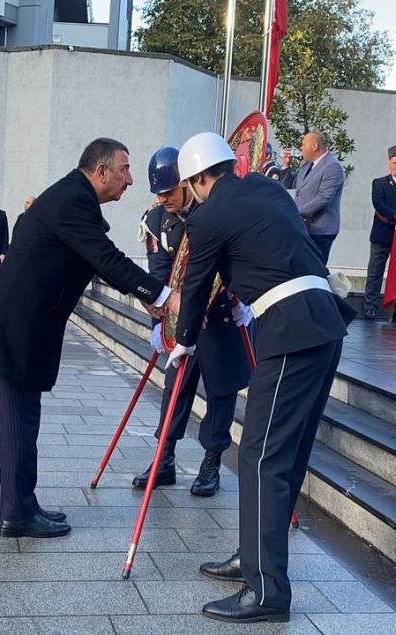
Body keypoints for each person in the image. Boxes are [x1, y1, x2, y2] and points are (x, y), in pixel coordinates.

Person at [165, 132, 351, 623]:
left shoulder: (207, 217)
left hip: (290, 329)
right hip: (324, 319)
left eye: (189, 184)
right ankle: (255, 557)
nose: (192, 192)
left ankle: (266, 590)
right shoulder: (268, 192)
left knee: (261, 455)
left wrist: (182, 340)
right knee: (283, 456)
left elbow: (197, 283)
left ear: (200, 179)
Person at [0, 138, 170, 539]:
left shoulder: (72, 196)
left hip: (24, 325)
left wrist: (144, 297)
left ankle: (24, 503)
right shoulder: (73, 200)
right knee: (15, 423)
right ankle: (16, 513)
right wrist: (162, 295)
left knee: (25, 420)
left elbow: (95, 260)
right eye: (124, 169)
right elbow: (107, 257)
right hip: (15, 326)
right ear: (100, 171)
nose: (130, 179)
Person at [133, 146, 251, 497]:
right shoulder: (156, 220)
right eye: (159, 192)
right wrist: (159, 321)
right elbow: (157, 276)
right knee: (175, 390)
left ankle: (211, 462)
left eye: (170, 190)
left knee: (221, 391)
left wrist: (240, 297)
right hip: (178, 317)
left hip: (220, 316)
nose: (164, 198)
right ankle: (164, 458)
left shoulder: (218, 209)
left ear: (187, 183)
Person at [363, 144, 396, 321]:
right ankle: (370, 307)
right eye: (394, 163)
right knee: (375, 271)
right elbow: (378, 203)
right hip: (382, 233)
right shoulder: (380, 183)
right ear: (389, 164)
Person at [294, 131, 344, 263]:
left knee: (315, 269)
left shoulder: (333, 167)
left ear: (314, 146)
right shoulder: (306, 166)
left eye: (303, 144)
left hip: (320, 230)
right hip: (303, 227)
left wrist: (296, 212)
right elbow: (297, 188)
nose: (301, 148)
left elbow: (324, 197)